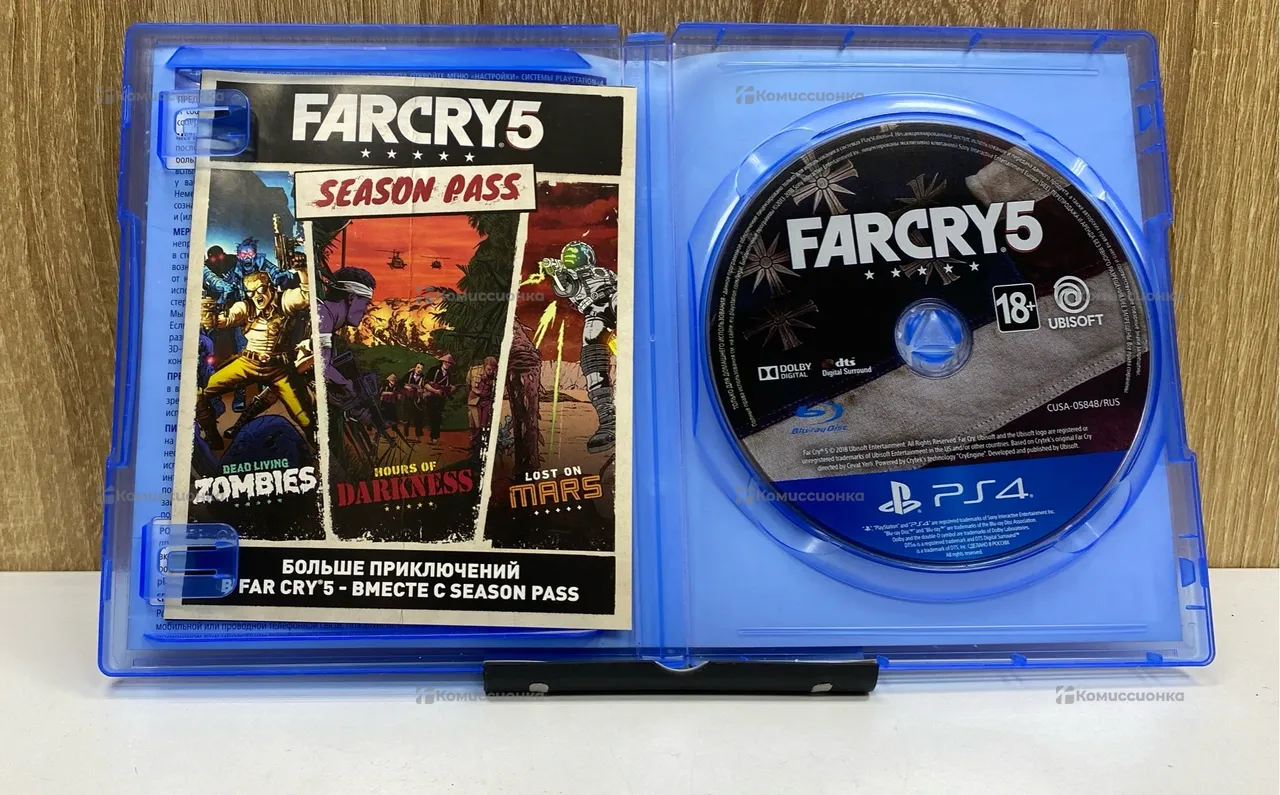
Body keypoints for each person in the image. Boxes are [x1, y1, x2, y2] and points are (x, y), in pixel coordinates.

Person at [467, 356, 499, 455]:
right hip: (475, 400)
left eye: (493, 369)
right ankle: (474, 445)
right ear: (485, 366)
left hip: (487, 401)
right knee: (475, 423)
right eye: (489, 369)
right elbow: (468, 383)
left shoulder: (497, 374)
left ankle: (482, 445)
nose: (491, 372)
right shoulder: (474, 371)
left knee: (484, 424)